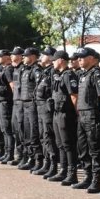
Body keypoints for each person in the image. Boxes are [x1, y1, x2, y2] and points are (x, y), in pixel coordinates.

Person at [72, 47, 100, 194]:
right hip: (82, 115)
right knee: (82, 148)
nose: (79, 59)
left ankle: (96, 180)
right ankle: (87, 177)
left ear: (92, 58)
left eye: (82, 57)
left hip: (93, 115)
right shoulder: (82, 75)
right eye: (78, 57)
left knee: (95, 149)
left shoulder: (97, 74)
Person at [50, 50, 80, 185]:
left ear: (61, 60)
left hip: (66, 114)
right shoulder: (58, 75)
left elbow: (74, 96)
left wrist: (75, 114)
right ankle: (63, 171)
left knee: (68, 144)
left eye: (54, 60)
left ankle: (72, 173)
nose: (52, 63)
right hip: (57, 113)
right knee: (60, 144)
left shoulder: (69, 75)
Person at [33, 47, 58, 177]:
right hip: (40, 107)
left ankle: (53, 166)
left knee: (48, 136)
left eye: (45, 54)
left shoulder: (53, 72)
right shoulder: (44, 71)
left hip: (47, 109)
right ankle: (46, 164)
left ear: (50, 57)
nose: (42, 56)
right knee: (43, 136)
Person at [18, 47, 43, 171]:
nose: (23, 57)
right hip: (24, 104)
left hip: (32, 105)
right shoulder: (25, 69)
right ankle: (30, 157)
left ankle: (38, 160)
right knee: (26, 133)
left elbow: (38, 87)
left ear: (32, 57)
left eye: (25, 56)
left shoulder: (36, 70)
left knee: (34, 134)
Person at [0, 50, 16, 163]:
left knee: (7, 130)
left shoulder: (9, 69)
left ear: (7, 57)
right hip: (1, 101)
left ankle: (10, 154)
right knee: (3, 129)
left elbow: (13, 87)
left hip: (6, 102)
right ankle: (6, 153)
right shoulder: (3, 69)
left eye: (1, 56)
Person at [9, 47, 26, 163]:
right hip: (15, 101)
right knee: (15, 130)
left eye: (14, 54)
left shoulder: (23, 69)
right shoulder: (15, 69)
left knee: (22, 130)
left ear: (20, 56)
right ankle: (19, 155)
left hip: (22, 102)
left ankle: (24, 157)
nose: (11, 56)